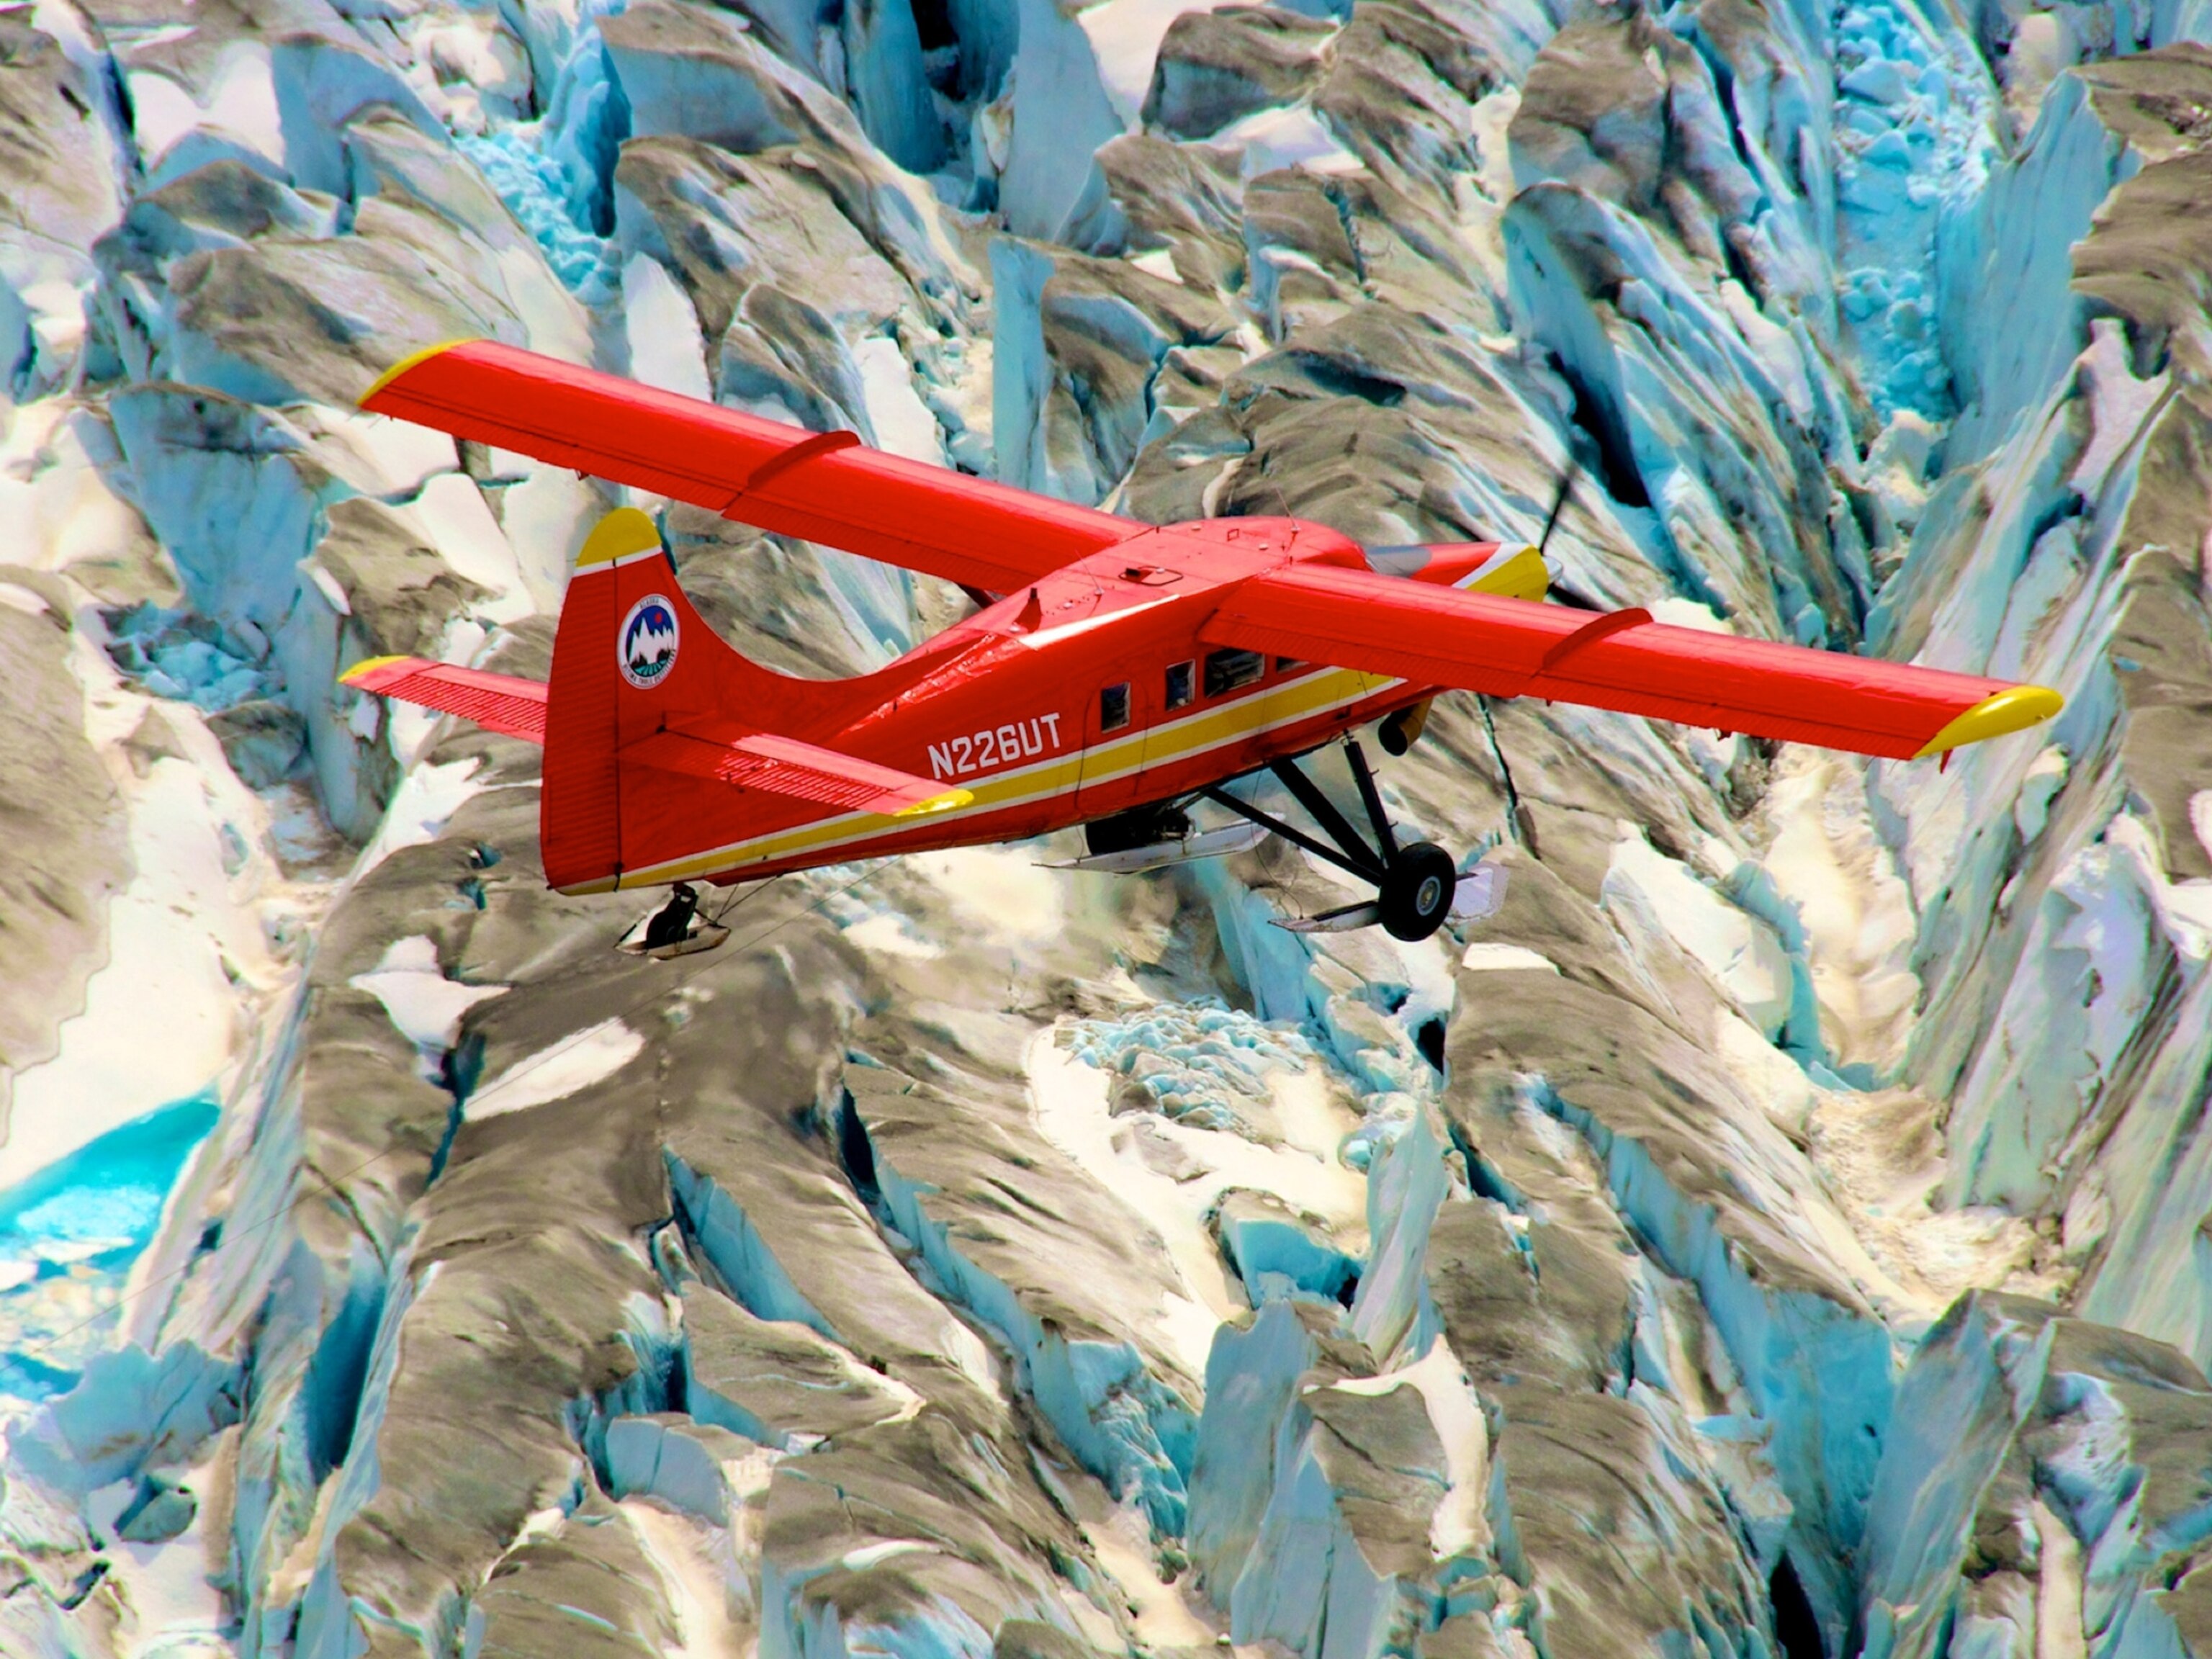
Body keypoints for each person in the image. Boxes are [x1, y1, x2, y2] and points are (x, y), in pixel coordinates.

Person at [643, 882, 699, 950]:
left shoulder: (686, 895)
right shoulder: (678, 896)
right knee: (661, 918)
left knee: (665, 919)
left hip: (675, 923)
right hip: (668, 928)